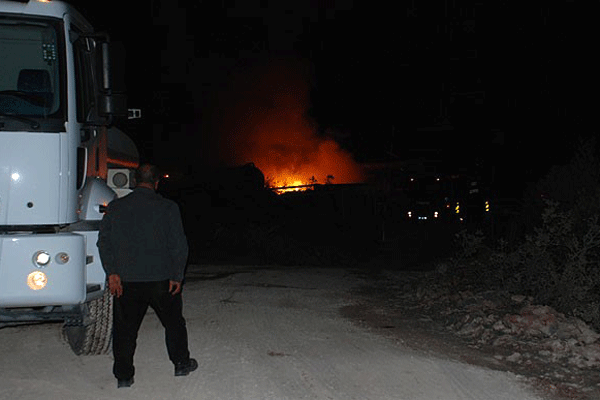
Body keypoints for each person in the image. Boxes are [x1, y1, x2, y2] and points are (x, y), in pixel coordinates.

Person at [97, 163, 196, 388]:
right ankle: (181, 364)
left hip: (126, 281)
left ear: (133, 181)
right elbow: (179, 245)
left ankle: (124, 376)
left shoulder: (116, 207)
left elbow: (104, 242)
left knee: (125, 330)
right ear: (157, 182)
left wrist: (112, 273)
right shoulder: (168, 207)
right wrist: (177, 276)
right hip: (162, 280)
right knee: (174, 324)